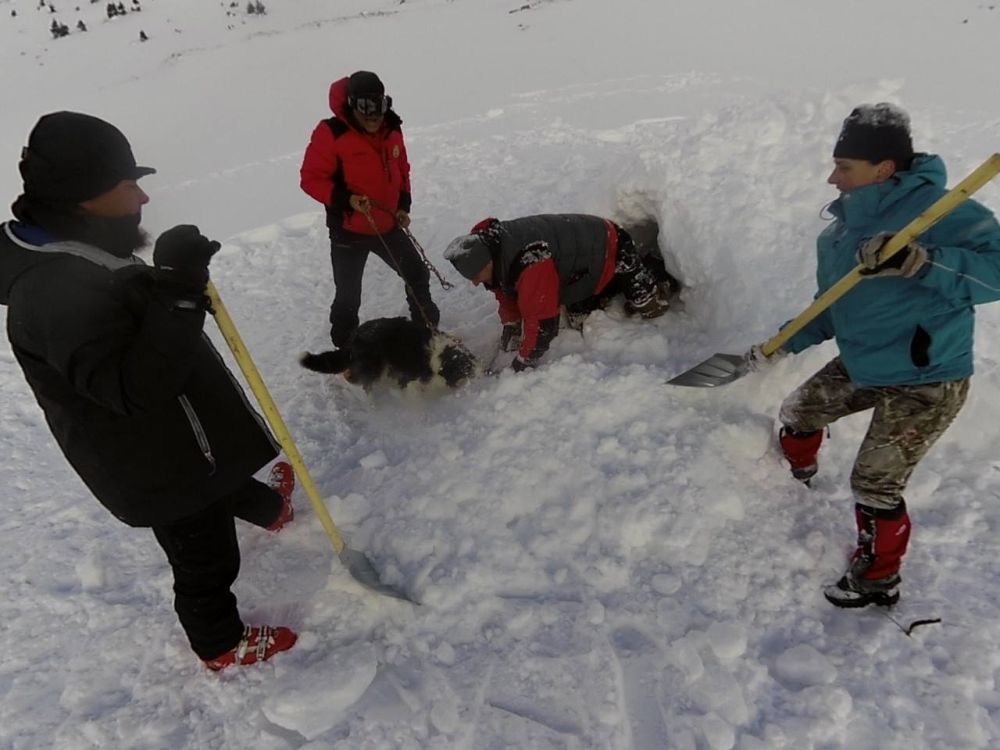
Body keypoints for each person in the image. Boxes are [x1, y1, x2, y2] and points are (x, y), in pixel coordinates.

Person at [0, 111, 298, 670]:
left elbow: (125, 318)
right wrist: (180, 295)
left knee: (221, 476)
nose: (142, 196)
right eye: (126, 184)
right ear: (82, 197)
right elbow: (134, 389)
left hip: (184, 438)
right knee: (204, 554)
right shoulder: (48, 292)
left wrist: (166, 282)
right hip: (155, 465)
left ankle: (268, 509)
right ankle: (219, 642)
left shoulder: (77, 242)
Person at [749, 103, 1000, 608]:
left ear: (884, 168)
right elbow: (831, 306)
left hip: (928, 377)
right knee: (799, 412)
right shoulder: (839, 233)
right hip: (865, 361)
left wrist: (921, 261)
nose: (831, 177)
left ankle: (878, 577)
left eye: (844, 167)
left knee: (874, 483)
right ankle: (795, 476)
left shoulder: (942, 211)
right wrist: (781, 345)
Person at [300, 70, 439, 349]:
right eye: (365, 108)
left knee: (416, 273)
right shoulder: (331, 133)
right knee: (349, 295)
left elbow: (402, 169)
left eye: (378, 107)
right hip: (348, 230)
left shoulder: (392, 128)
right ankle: (346, 351)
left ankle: (426, 335)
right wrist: (345, 199)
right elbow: (310, 179)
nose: (373, 116)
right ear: (352, 105)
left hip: (387, 223)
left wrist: (403, 206)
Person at [444, 214, 673, 370]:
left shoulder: (530, 261)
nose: (475, 284)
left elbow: (544, 323)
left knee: (650, 306)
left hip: (611, 243)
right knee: (578, 317)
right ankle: (609, 282)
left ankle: (658, 270)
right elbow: (503, 289)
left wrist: (523, 362)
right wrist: (512, 323)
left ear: (487, 264)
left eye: (475, 277)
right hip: (579, 261)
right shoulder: (488, 248)